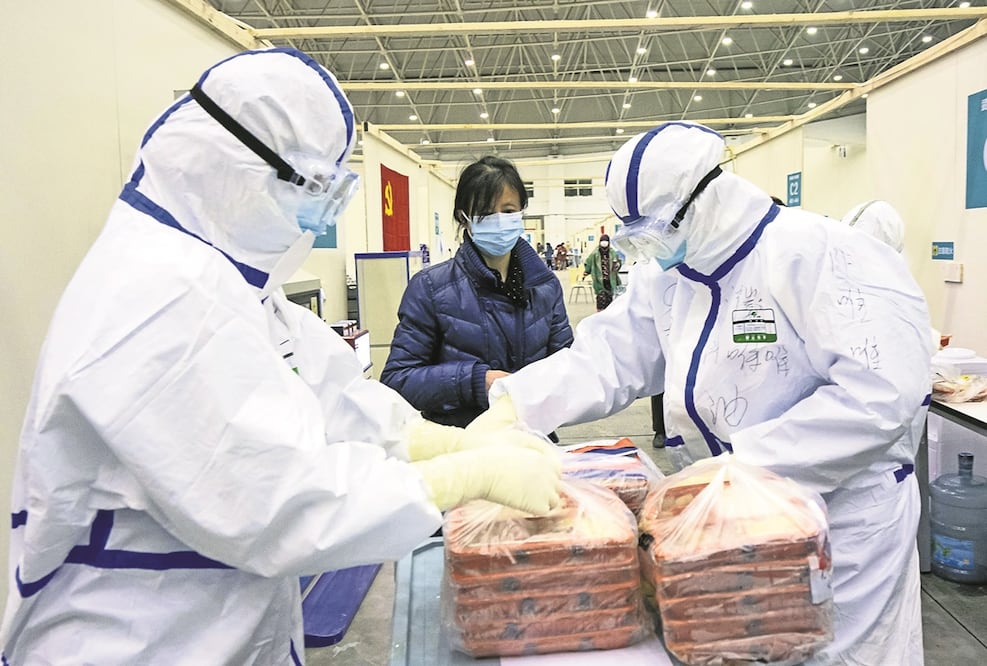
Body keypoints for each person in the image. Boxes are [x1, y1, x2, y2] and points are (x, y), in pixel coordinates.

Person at [0, 48, 561, 663]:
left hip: (221, 619)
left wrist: (441, 442)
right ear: (239, 170)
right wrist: (464, 476)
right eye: (316, 187)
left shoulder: (232, 284)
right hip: (134, 640)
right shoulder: (155, 297)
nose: (320, 213)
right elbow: (280, 504)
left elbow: (335, 395)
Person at [478, 121, 932, 664]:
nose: (651, 246)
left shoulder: (818, 254)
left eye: (657, 228)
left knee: (836, 652)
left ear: (708, 193)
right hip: (725, 517)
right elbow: (606, 357)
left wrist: (742, 467)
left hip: (840, 516)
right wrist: (514, 405)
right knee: (748, 646)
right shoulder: (672, 274)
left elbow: (880, 396)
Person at [381, 156, 573, 428]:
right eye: (485, 212)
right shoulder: (431, 287)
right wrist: (475, 381)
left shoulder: (545, 287)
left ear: (521, 213)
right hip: (459, 448)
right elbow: (398, 380)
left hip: (532, 443)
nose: (499, 221)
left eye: (508, 211)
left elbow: (566, 369)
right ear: (464, 218)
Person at [582, 233, 622, 311]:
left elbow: (618, 263)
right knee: (601, 299)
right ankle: (600, 316)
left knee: (609, 300)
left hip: (610, 280)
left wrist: (617, 265)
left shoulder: (612, 252)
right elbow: (588, 262)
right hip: (599, 280)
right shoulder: (595, 253)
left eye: (606, 241)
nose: (604, 242)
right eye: (603, 241)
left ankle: (608, 316)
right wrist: (586, 271)